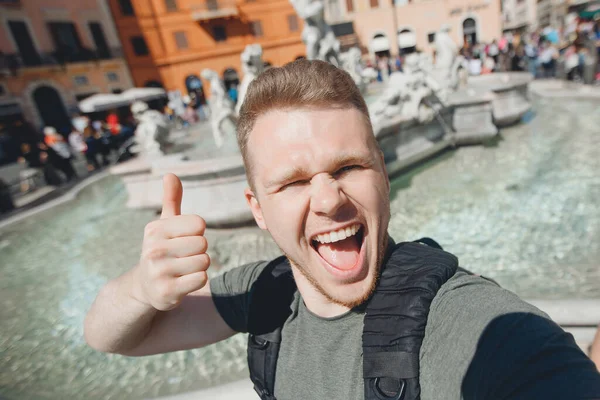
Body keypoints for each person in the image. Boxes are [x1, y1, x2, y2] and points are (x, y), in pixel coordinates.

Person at [85, 60, 600, 399]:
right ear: (258, 209)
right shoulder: (262, 293)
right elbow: (110, 337)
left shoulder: (474, 323)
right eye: (292, 182)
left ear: (383, 173)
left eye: (349, 167)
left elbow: (542, 369)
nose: (329, 200)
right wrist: (141, 287)